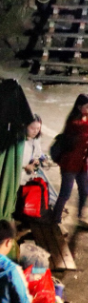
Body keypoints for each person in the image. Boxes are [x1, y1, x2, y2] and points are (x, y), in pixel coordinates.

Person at [52, 94, 88, 227]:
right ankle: (56, 219)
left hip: (81, 163)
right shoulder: (74, 122)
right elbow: (83, 131)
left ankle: (80, 216)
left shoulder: (84, 120)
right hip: (69, 163)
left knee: (85, 190)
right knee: (65, 193)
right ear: (79, 107)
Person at [21, 114, 43, 185]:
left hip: (28, 178)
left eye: (38, 128)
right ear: (25, 126)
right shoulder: (19, 142)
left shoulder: (36, 140)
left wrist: (35, 161)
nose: (35, 131)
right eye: (32, 128)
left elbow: (37, 155)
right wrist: (26, 166)